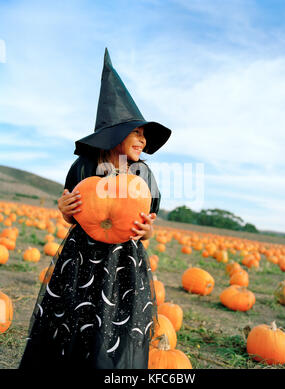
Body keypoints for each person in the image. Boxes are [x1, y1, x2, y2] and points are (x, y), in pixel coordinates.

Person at [19, 48, 172, 369]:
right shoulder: (85, 165)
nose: (143, 141)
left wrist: (147, 230)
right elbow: (72, 214)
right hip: (82, 260)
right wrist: (63, 208)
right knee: (75, 322)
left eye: (144, 135)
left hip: (123, 264)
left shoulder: (144, 174)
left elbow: (147, 225)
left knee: (114, 327)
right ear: (114, 133)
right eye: (137, 132)